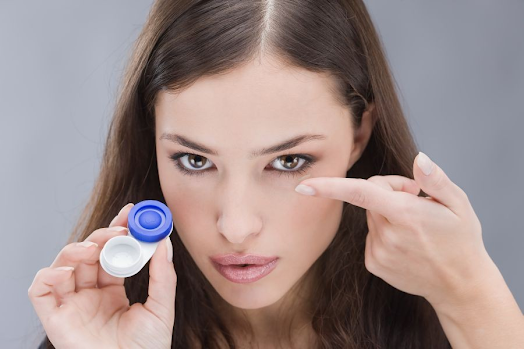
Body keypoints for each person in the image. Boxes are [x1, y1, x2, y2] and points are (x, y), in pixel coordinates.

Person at [28, 0, 524, 348]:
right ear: (150, 141)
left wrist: (471, 296)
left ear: (358, 134)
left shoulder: (450, 324)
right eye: (195, 161)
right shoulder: (98, 336)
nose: (236, 226)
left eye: (288, 161)